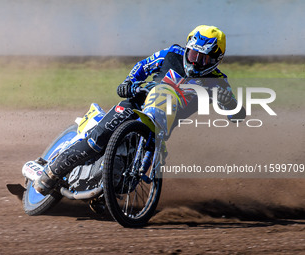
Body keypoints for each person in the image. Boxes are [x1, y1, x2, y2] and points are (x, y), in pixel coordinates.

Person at [34, 25, 246, 195]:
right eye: (193, 55)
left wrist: (232, 105)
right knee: (97, 139)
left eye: (203, 59)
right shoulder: (171, 53)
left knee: (129, 181)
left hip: (159, 129)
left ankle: (107, 193)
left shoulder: (218, 83)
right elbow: (143, 66)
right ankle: (51, 172)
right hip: (134, 104)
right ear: (187, 48)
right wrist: (128, 82)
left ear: (217, 59)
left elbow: (237, 116)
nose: (196, 61)